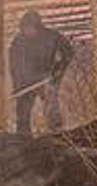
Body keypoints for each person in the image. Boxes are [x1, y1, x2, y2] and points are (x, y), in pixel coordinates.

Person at [8, 8, 73, 136]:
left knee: (51, 107)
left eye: (30, 27)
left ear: (38, 27)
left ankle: (57, 135)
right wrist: (17, 85)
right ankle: (23, 139)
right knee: (23, 113)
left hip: (47, 78)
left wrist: (57, 71)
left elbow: (68, 52)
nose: (28, 31)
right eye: (25, 28)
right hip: (26, 83)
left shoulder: (52, 37)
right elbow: (14, 66)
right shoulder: (18, 42)